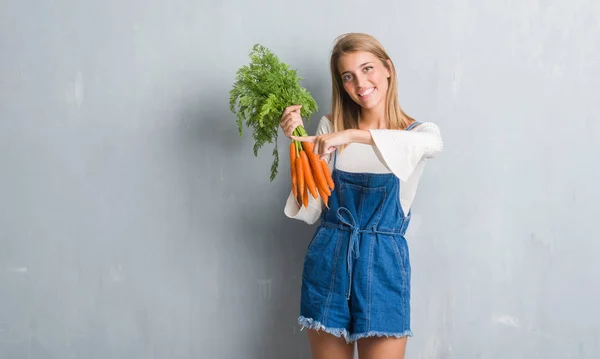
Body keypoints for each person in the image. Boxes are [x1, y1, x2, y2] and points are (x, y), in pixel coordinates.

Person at [279, 33, 443, 359]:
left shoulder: (419, 133)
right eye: (348, 76)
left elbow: (432, 147)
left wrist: (354, 134)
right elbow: (311, 208)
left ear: (388, 69)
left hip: (383, 267)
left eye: (367, 68)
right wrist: (298, 145)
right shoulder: (329, 126)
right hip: (329, 260)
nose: (360, 82)